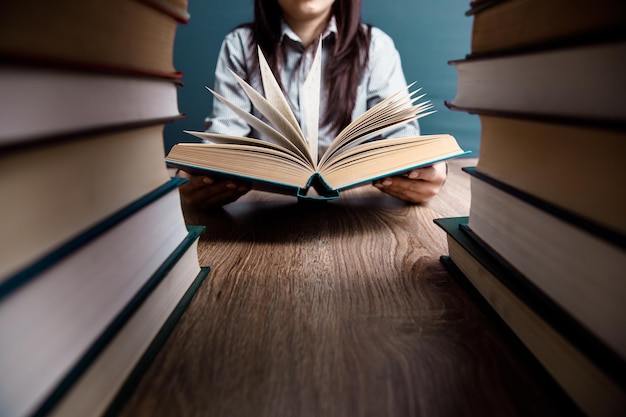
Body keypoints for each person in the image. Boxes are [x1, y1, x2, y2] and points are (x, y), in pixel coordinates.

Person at [179, 0, 448, 209]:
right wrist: (198, 174)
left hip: (357, 210)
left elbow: (402, 141)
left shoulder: (376, 46)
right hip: (263, 213)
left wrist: (425, 172)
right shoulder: (240, 45)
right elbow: (224, 140)